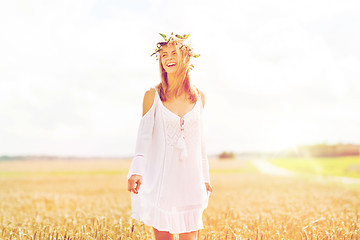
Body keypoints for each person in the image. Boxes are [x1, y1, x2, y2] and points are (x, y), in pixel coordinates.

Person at [127, 33, 213, 240]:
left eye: (174, 52)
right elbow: (143, 138)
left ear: (187, 58)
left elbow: (200, 142)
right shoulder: (152, 95)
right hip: (162, 179)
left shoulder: (199, 97)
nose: (168, 58)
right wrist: (136, 171)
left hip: (190, 179)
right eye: (164, 54)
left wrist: (205, 177)